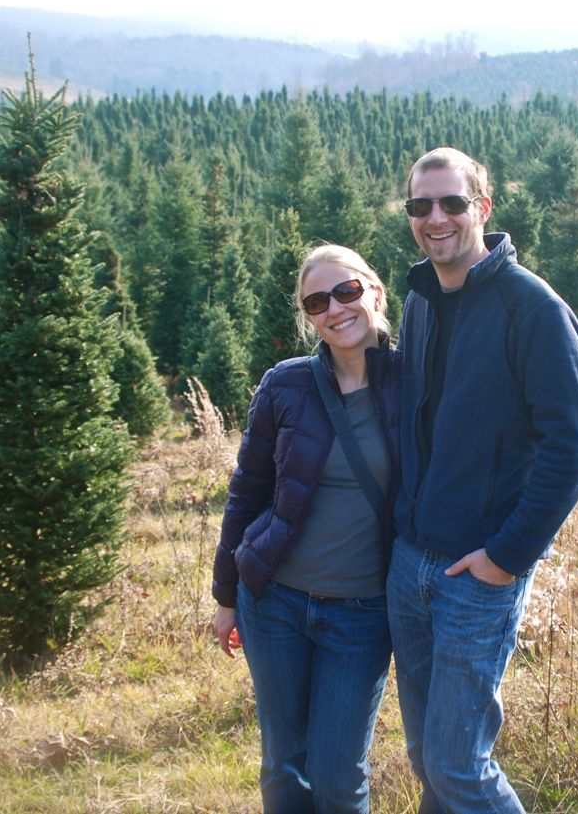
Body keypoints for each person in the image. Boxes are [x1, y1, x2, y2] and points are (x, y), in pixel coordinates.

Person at [388, 147, 578, 813]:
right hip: (412, 563)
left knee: (458, 764)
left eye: (453, 202)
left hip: (477, 572)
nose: (436, 217)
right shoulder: (421, 299)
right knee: (428, 758)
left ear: (482, 207)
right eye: (421, 206)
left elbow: (574, 444)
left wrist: (508, 556)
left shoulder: (531, 308)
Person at [211, 244, 401, 814]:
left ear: (375, 293)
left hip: (363, 613)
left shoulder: (417, 381)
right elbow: (246, 492)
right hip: (274, 603)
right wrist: (226, 598)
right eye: (317, 301)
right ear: (307, 316)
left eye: (346, 291)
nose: (335, 309)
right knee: (284, 765)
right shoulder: (285, 385)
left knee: (339, 776)